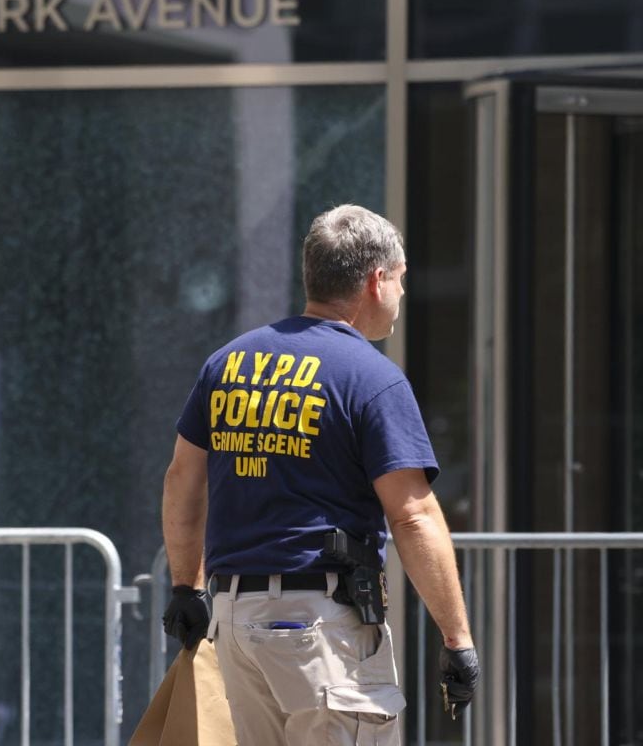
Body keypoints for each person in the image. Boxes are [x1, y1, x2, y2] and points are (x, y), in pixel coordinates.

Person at [161, 205, 479, 744]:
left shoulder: (228, 364)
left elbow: (182, 481)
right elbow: (413, 516)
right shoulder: (371, 378)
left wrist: (184, 588)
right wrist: (457, 638)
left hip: (235, 621)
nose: (402, 295)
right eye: (401, 280)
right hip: (320, 628)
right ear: (376, 281)